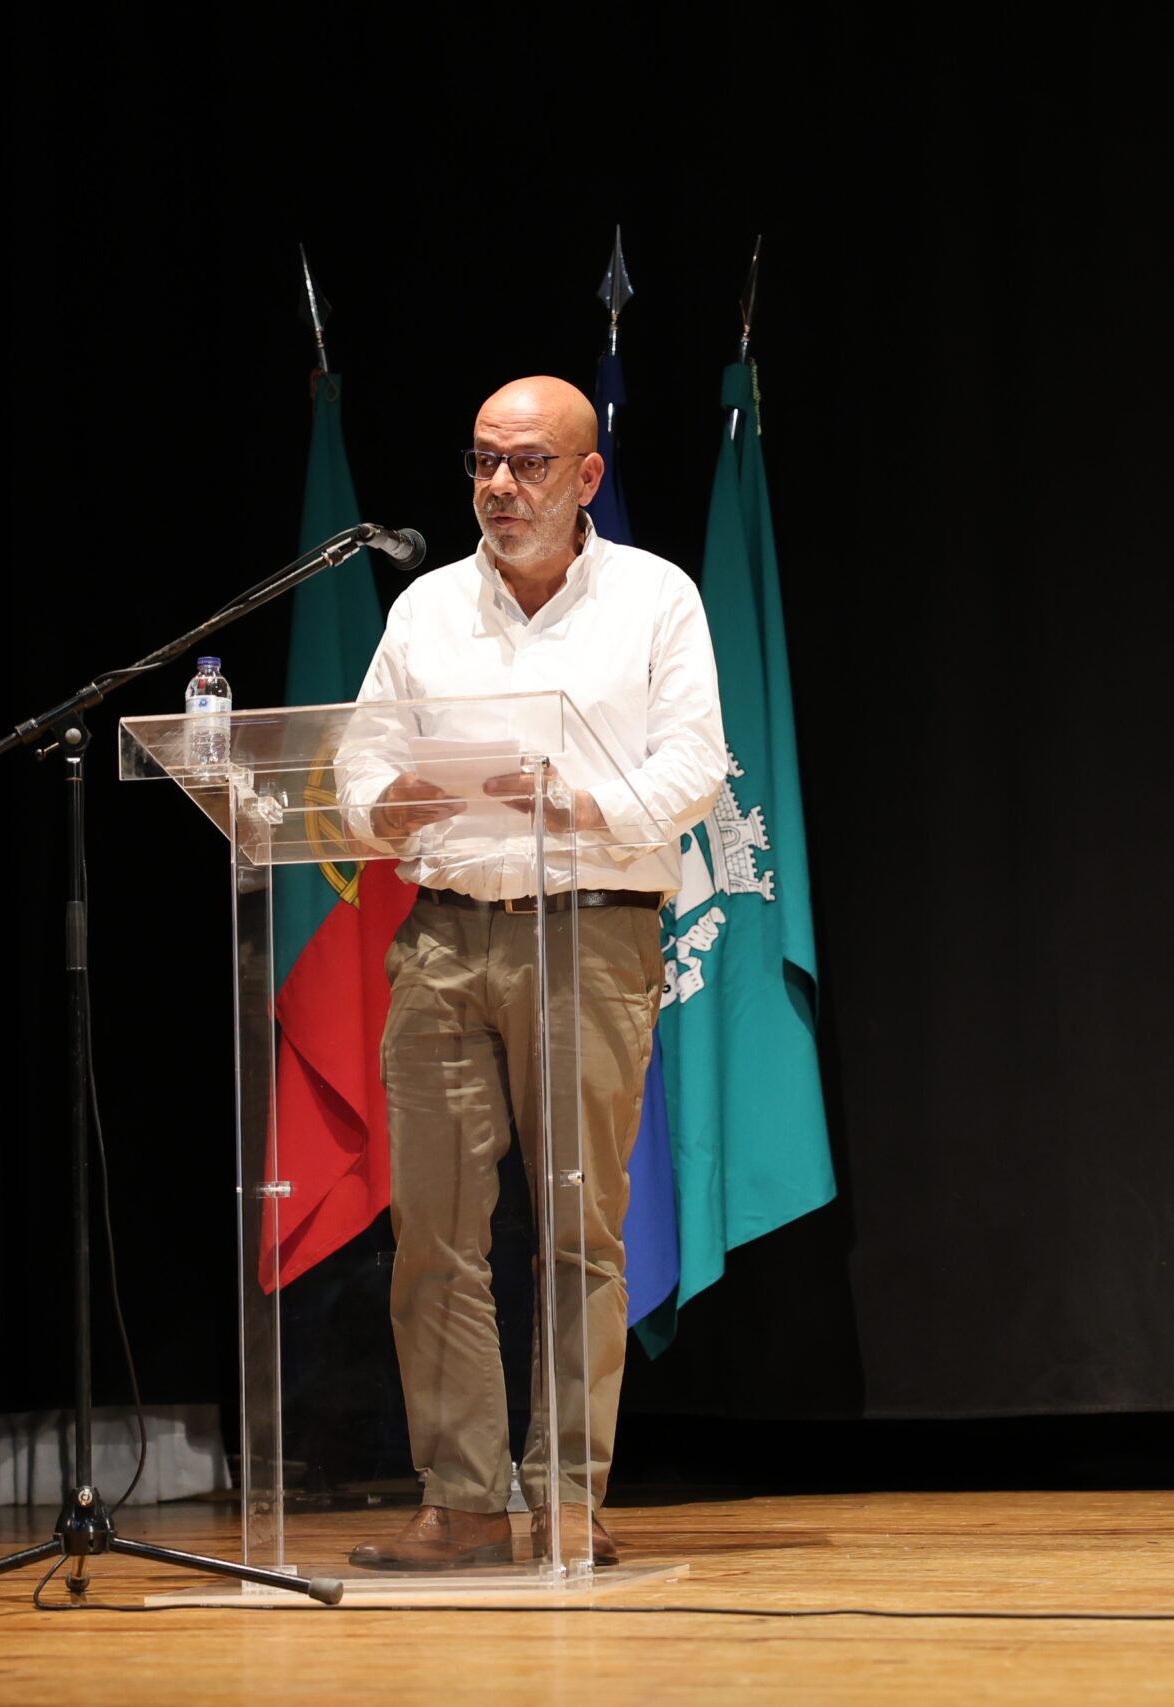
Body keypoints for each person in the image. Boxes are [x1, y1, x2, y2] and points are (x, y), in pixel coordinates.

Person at [345, 376, 725, 1569]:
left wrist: (585, 807)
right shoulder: (424, 610)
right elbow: (355, 764)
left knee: (576, 1230)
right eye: (482, 462)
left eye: (526, 463)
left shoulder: (654, 598)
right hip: (444, 937)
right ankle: (461, 1502)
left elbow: (696, 765)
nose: (499, 486)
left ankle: (565, 1496)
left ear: (586, 477)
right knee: (434, 1237)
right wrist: (381, 805)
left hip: (590, 933)